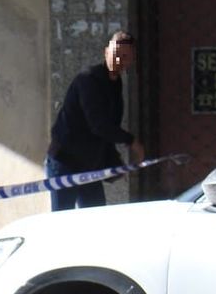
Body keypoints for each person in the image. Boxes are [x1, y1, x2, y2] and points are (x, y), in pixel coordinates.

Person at [45, 30, 145, 211]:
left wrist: (114, 161)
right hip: (65, 162)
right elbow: (98, 125)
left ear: (131, 60)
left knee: (95, 218)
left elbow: (108, 127)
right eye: (115, 54)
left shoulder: (115, 82)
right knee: (61, 222)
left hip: (90, 166)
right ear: (106, 52)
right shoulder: (89, 79)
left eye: (125, 57)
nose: (119, 60)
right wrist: (131, 141)